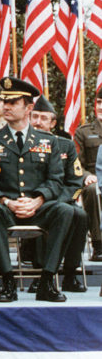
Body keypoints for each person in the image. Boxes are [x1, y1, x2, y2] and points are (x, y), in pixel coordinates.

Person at [0, 77, 74, 302]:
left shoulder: (48, 141)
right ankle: (7, 281)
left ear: (28, 108)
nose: (6, 106)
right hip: (5, 207)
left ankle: (47, 280)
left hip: (38, 206)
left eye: (13, 102)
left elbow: (56, 180)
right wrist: (6, 201)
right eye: (4, 102)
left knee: (66, 211)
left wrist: (37, 200)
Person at [29, 96, 87, 293]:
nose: (37, 122)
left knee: (79, 214)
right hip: (32, 200)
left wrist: (55, 199)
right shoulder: (24, 142)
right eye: (34, 117)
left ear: (53, 123)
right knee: (48, 213)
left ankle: (70, 273)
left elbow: (76, 183)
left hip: (60, 198)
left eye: (43, 118)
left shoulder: (65, 145)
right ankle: (39, 274)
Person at [73, 88, 102, 261]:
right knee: (92, 189)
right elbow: (75, 163)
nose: (101, 107)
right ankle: (99, 245)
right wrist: (85, 176)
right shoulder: (83, 132)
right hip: (95, 179)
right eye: (99, 103)